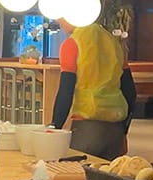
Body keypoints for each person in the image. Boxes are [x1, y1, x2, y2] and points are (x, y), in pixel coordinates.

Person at [49, 20, 137, 159]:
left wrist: (55, 126)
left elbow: (66, 90)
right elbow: (130, 91)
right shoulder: (114, 43)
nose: (59, 23)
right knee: (110, 177)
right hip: (116, 127)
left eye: (61, 19)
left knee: (80, 176)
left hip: (87, 125)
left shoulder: (72, 44)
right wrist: (124, 128)